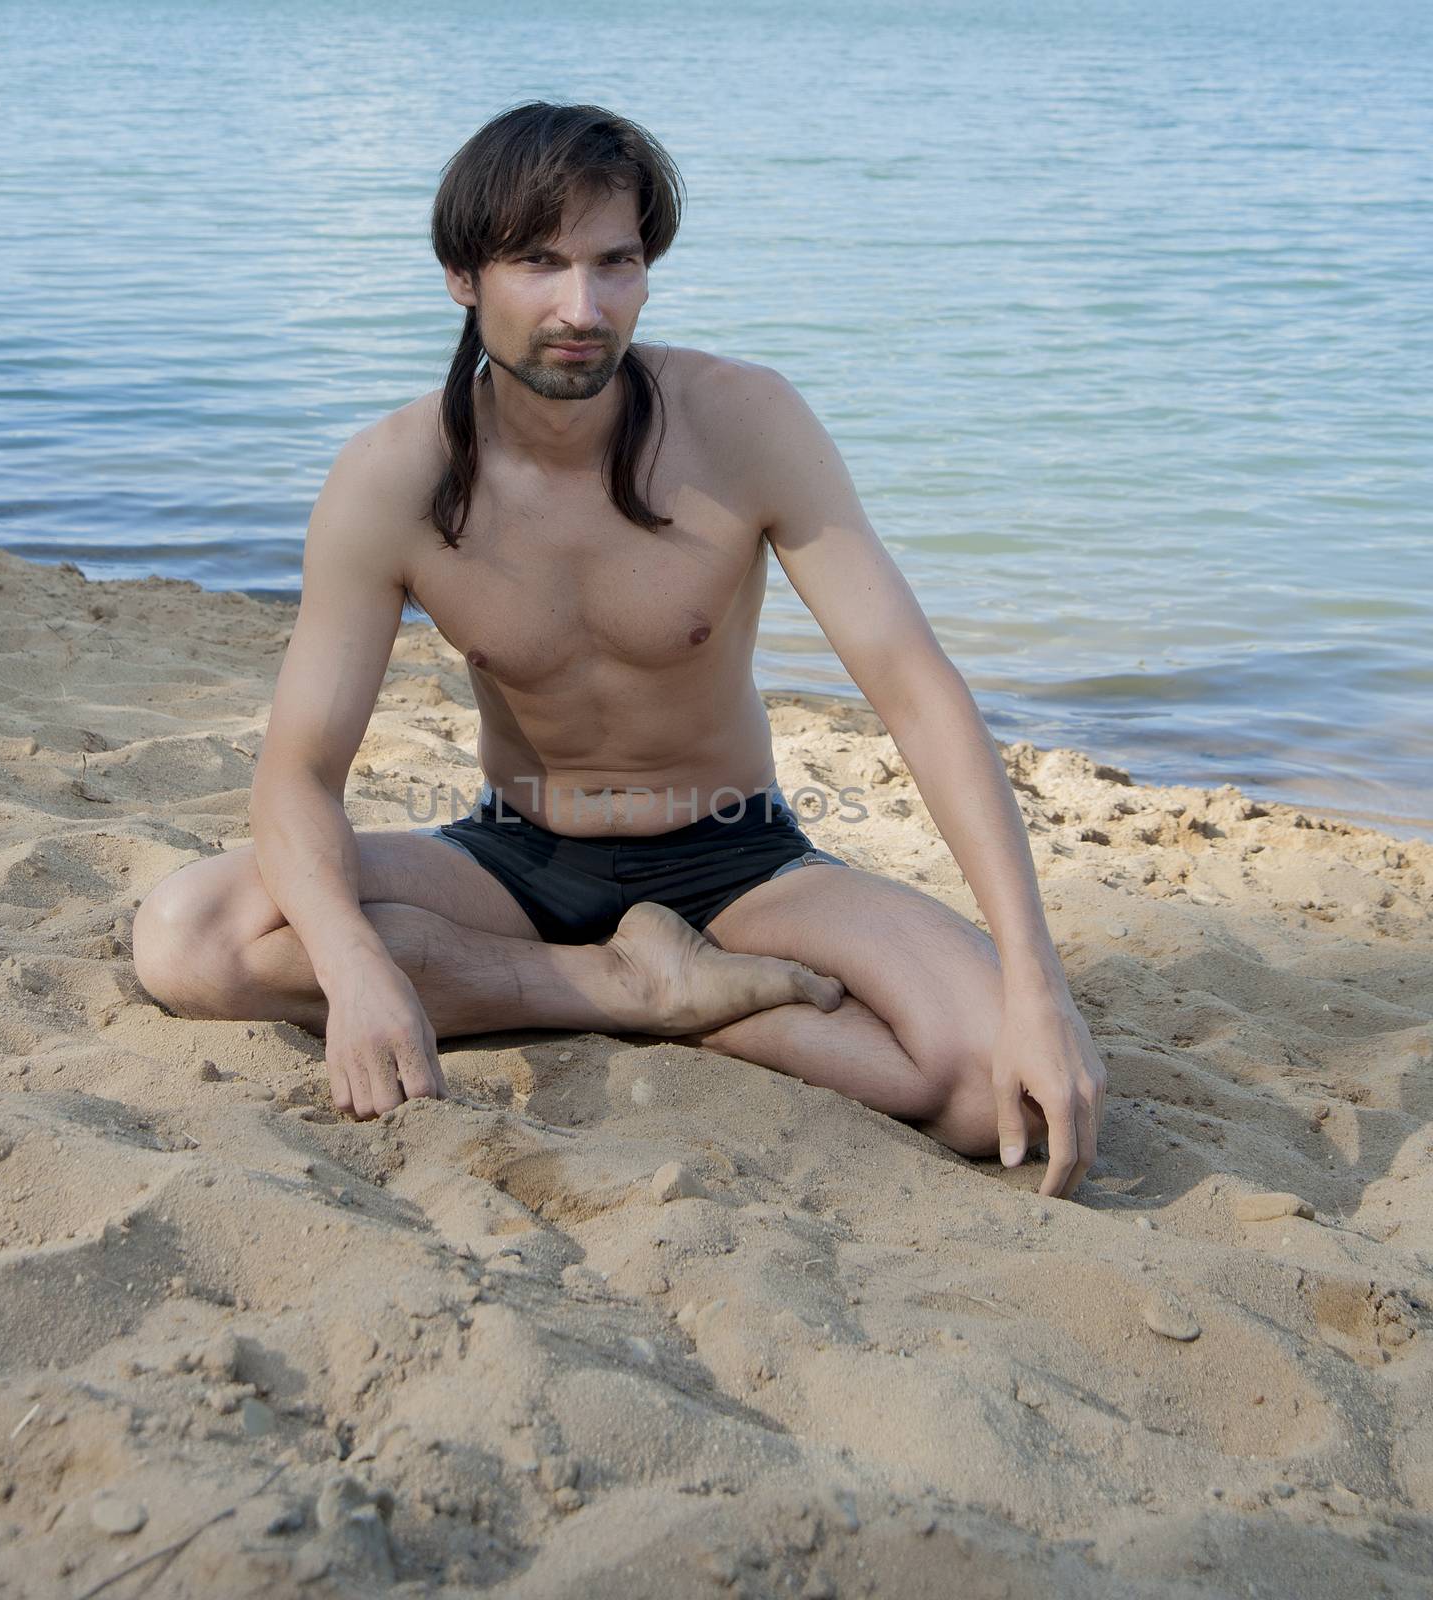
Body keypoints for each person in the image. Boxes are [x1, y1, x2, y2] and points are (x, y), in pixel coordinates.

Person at [132, 101, 1107, 1200]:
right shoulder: (394, 477)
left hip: (739, 859)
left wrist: (1036, 978)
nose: (581, 307)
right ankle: (627, 991)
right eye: (538, 263)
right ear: (463, 276)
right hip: (513, 859)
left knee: (990, 1091)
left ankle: (682, 989)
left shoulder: (743, 423)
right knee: (188, 936)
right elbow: (300, 771)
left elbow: (914, 689)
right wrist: (357, 968)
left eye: (615, 263)